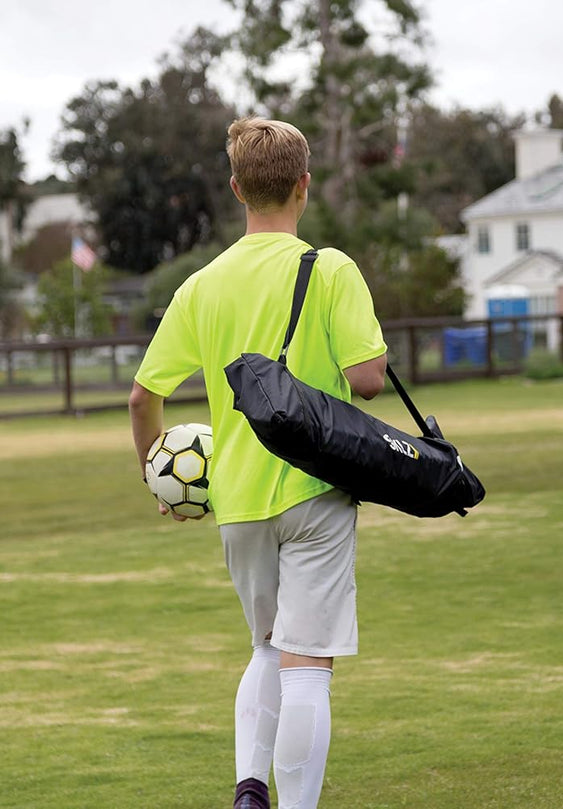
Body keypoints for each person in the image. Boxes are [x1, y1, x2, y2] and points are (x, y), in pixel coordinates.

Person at [129, 117, 388, 809]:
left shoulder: (202, 284)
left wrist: (157, 476)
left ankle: (250, 789)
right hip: (317, 489)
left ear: (237, 188)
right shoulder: (330, 269)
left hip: (236, 500)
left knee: (267, 647)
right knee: (307, 665)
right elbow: (367, 379)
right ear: (305, 185)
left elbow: (143, 397)